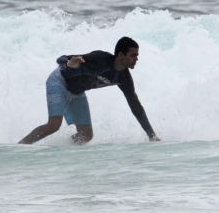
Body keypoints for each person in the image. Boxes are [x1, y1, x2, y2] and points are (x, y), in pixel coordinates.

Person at [19, 36, 160, 144]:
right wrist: (69, 63)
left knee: (86, 135)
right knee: (54, 125)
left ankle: (63, 148)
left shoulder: (124, 78)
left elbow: (136, 107)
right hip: (59, 82)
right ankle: (21, 146)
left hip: (76, 92)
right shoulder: (101, 59)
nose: (137, 59)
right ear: (121, 55)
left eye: (137, 55)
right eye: (133, 55)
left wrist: (151, 135)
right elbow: (61, 58)